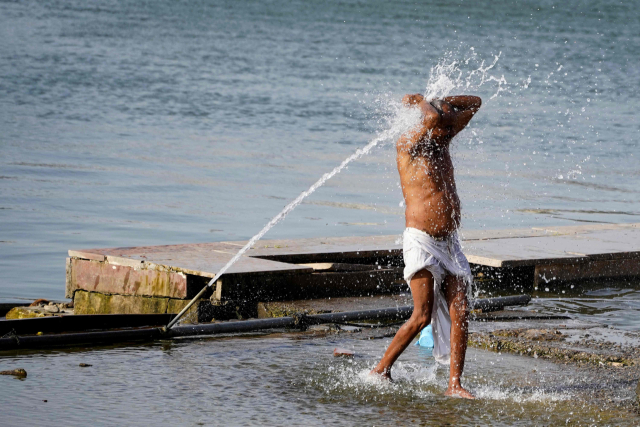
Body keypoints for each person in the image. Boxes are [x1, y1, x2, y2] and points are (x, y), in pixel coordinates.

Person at [370, 93, 482, 399]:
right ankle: (381, 370)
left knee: (461, 309)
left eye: (449, 123)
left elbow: (475, 103)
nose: (449, 128)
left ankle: (454, 385)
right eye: (444, 122)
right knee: (422, 315)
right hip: (421, 240)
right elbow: (431, 118)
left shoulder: (441, 141)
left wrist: (446, 100)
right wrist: (423, 101)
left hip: (450, 242)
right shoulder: (408, 144)